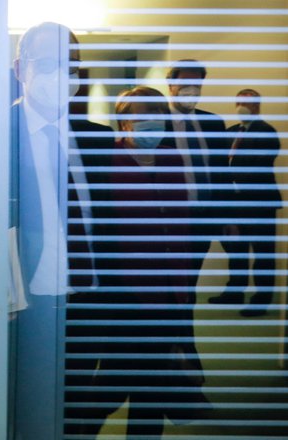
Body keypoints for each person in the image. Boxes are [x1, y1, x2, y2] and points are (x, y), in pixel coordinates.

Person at [9, 22, 114, 437]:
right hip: (23, 307)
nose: (60, 74)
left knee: (82, 414)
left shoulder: (100, 141)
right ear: (20, 68)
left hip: (87, 304)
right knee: (24, 416)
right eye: (48, 63)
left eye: (70, 64)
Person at [83, 86, 207, 436]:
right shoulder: (106, 158)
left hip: (170, 294)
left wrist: (183, 292)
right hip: (125, 296)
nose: (152, 123)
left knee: (150, 390)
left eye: (159, 116)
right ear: (123, 121)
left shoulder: (172, 159)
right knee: (112, 385)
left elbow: (181, 230)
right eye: (142, 115)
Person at [165, 59, 229, 303]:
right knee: (171, 283)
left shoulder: (213, 123)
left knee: (191, 282)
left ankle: (185, 340)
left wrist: (227, 217)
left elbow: (221, 174)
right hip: (170, 219)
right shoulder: (155, 121)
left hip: (203, 218)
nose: (191, 89)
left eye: (197, 84)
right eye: (185, 83)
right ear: (170, 84)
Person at [218, 89, 281, 316]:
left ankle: (261, 299)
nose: (242, 107)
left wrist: (230, 173)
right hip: (234, 203)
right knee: (236, 250)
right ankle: (234, 291)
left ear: (257, 106)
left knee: (263, 253)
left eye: (248, 103)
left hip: (259, 203)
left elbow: (258, 164)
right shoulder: (231, 132)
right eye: (239, 103)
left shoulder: (266, 131)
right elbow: (219, 163)